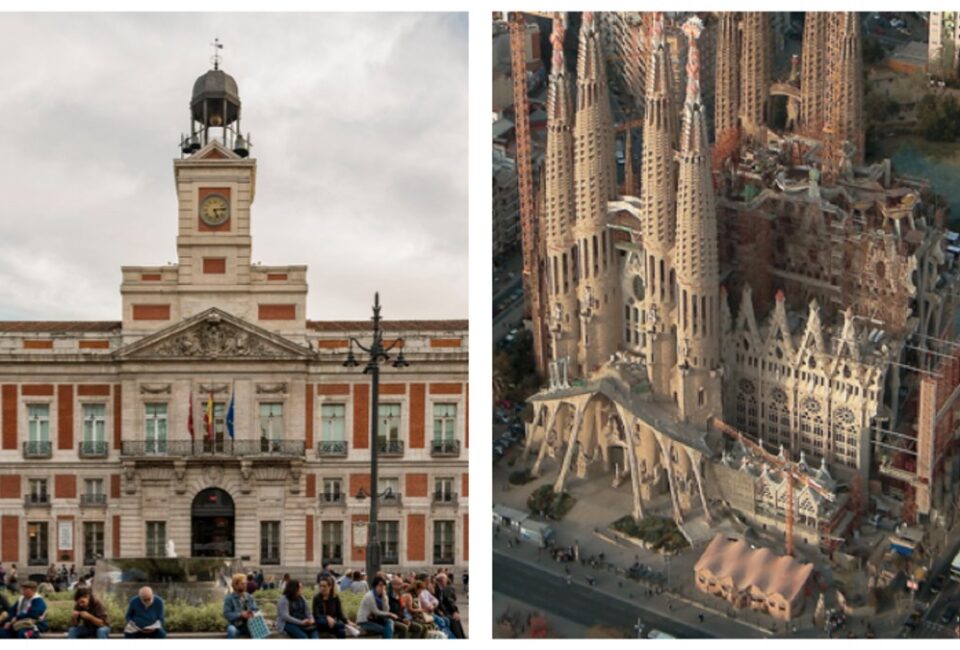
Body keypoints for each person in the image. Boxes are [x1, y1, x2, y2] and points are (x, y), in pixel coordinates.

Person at [223, 573, 259, 639]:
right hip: (235, 625)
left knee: (259, 631)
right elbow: (226, 614)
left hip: (249, 625)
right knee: (231, 630)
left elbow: (255, 610)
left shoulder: (249, 597)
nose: (245, 585)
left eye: (245, 583)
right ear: (235, 585)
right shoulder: (229, 598)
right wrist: (240, 615)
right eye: (242, 584)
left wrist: (251, 614)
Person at [435, 572, 466, 638]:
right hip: (439, 611)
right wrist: (452, 611)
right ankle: (459, 637)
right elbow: (439, 603)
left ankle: (461, 637)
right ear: (441, 580)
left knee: (456, 618)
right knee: (453, 619)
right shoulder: (437, 589)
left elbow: (449, 601)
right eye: (445, 580)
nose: (446, 582)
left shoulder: (443, 589)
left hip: (444, 610)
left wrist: (455, 611)